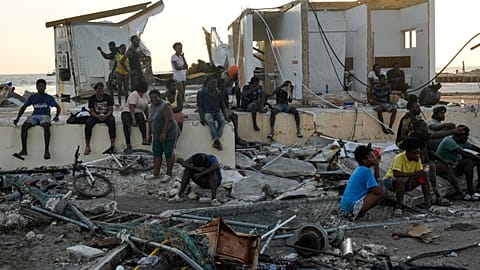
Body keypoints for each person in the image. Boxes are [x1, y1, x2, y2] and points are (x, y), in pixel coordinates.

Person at [13, 79, 60, 160]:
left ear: (45, 87)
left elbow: (58, 107)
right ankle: (24, 150)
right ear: (36, 87)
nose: (41, 88)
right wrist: (17, 118)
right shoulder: (32, 97)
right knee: (24, 126)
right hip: (34, 116)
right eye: (39, 86)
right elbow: (23, 107)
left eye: (43, 86)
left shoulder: (49, 97)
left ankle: (46, 151)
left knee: (46, 126)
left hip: (45, 116)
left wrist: (56, 116)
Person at [383, 138, 431, 217]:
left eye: (418, 153)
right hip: (391, 181)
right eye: (414, 154)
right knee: (400, 181)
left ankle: (428, 203)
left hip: (406, 182)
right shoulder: (399, 158)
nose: (417, 156)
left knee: (424, 178)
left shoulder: (417, 159)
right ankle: (398, 207)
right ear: (407, 153)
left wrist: (424, 173)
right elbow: (396, 174)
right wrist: (414, 174)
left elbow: (419, 173)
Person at [409, 120, 451, 206]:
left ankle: (437, 197)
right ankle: (431, 199)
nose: (425, 128)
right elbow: (435, 135)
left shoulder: (423, 138)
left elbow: (429, 151)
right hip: (416, 166)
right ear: (417, 128)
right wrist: (452, 131)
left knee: (432, 174)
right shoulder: (414, 138)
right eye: (423, 126)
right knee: (426, 179)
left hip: (425, 164)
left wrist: (442, 160)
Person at [435, 125, 480, 200]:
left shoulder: (460, 141)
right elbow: (464, 153)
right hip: (446, 166)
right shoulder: (449, 141)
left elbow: (473, 147)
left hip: (455, 164)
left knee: (476, 159)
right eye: (466, 135)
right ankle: (470, 190)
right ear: (460, 135)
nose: (467, 138)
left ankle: (478, 188)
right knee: (469, 161)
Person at [340, 145, 384, 220]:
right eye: (371, 157)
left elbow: (374, 182)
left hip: (345, 206)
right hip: (351, 206)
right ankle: (359, 214)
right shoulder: (366, 171)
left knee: (376, 190)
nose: (374, 159)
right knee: (380, 193)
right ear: (364, 160)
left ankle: (359, 213)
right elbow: (377, 191)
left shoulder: (360, 169)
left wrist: (376, 166)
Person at [145, 90, 179, 182]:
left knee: (168, 153)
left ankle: (168, 173)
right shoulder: (151, 106)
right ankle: (155, 173)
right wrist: (149, 135)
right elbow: (150, 121)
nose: (153, 99)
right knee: (156, 153)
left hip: (169, 133)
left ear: (159, 96)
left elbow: (169, 121)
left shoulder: (165, 105)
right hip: (156, 133)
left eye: (155, 97)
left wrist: (164, 133)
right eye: (151, 98)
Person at [84, 82, 116, 155]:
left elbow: (111, 110)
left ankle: (112, 145)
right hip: (96, 115)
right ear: (95, 90)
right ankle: (87, 145)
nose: (100, 91)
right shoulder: (92, 98)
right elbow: (91, 111)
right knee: (88, 123)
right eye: (98, 89)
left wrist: (105, 115)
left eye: (101, 89)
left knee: (112, 122)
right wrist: (97, 116)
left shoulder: (107, 97)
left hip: (106, 115)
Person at [198, 75, 227, 151]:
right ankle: (217, 140)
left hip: (217, 111)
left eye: (215, 83)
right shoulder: (201, 93)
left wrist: (225, 115)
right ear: (208, 83)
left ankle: (216, 138)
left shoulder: (219, 93)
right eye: (213, 83)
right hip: (207, 112)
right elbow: (200, 106)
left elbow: (222, 105)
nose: (215, 85)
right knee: (211, 122)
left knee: (222, 121)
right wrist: (201, 118)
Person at [121, 80, 150, 153]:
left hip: (139, 112)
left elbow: (146, 106)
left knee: (141, 120)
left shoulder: (145, 95)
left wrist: (147, 116)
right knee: (127, 124)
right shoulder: (134, 94)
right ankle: (128, 144)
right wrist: (133, 119)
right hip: (128, 111)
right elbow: (131, 107)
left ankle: (144, 138)